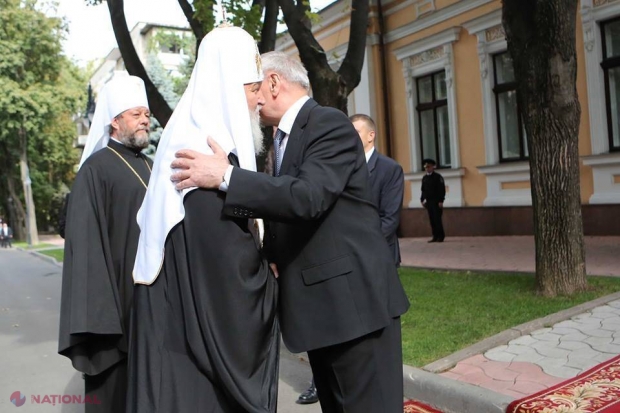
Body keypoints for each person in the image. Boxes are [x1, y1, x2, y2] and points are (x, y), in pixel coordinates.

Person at [171, 51, 410, 413]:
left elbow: (307, 197)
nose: (250, 102)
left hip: (354, 311)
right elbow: (290, 211)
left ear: (273, 83)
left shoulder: (327, 123)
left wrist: (225, 177)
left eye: (251, 88)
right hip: (326, 312)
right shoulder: (283, 137)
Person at [128, 26, 279, 413]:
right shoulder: (201, 162)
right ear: (228, 89)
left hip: (177, 344)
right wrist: (272, 281)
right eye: (252, 88)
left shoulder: (188, 144)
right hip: (196, 369)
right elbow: (230, 281)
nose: (260, 100)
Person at [296, 113, 406, 405]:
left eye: (355, 132)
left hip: (375, 259)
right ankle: (317, 385)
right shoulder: (336, 162)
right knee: (339, 332)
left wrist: (361, 249)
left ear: (370, 135)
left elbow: (389, 218)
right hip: (344, 262)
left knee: (369, 340)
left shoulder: (389, 169)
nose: (349, 137)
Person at [58, 73, 152, 413]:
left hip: (148, 305)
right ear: (114, 121)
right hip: (114, 311)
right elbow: (85, 251)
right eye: (135, 113)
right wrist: (103, 321)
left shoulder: (149, 165)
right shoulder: (94, 171)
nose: (145, 119)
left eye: (146, 113)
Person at [420, 158, 446, 242]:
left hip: (436, 201)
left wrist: (441, 201)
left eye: (429, 167)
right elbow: (423, 190)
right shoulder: (424, 178)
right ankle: (434, 236)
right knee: (432, 220)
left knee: (437, 219)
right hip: (429, 202)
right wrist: (422, 199)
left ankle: (440, 236)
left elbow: (441, 190)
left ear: (432, 167)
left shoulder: (437, 177)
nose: (427, 168)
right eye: (426, 167)